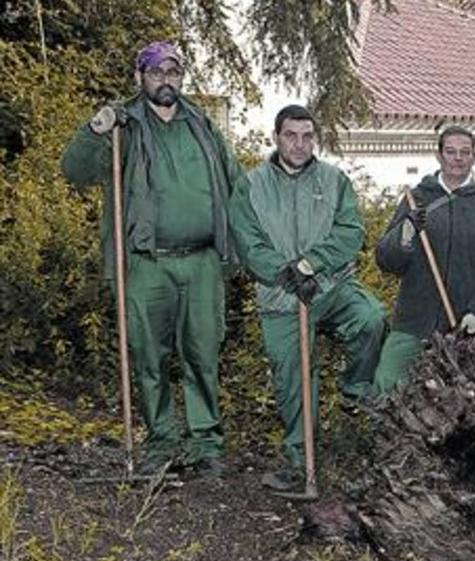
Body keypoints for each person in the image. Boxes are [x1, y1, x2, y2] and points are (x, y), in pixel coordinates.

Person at [60, 41, 243, 476]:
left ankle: (205, 444)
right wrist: (96, 129)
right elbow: (74, 172)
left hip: (202, 262)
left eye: (174, 72)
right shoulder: (124, 125)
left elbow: (235, 183)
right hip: (146, 264)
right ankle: (161, 442)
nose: (167, 80)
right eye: (157, 72)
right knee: (149, 357)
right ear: (139, 76)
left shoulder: (201, 123)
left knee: (203, 355)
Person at [226, 105, 386, 491]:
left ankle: (354, 390)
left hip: (330, 286)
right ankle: (301, 460)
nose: (300, 144)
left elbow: (350, 232)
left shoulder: (334, 181)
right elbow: (248, 242)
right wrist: (285, 273)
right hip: (281, 297)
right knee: (293, 377)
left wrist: (312, 265)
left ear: (316, 138)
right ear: (276, 137)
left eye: (307, 136)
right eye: (291, 135)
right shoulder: (251, 185)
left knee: (372, 316)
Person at [373, 125, 475, 393]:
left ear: (474, 157)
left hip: (465, 331)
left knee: (462, 403)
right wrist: (406, 232)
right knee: (387, 384)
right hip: (414, 322)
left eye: (465, 152)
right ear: (439, 156)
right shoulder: (417, 200)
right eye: (451, 152)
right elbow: (386, 261)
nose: (458, 158)